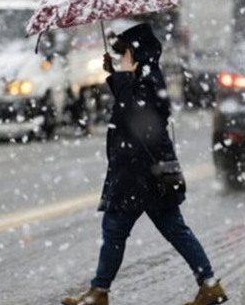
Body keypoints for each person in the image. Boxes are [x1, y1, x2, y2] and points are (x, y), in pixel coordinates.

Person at [62, 23, 227, 305]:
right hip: (147, 172)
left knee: (115, 230)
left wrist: (121, 77)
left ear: (136, 53)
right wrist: (116, 75)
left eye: (124, 53)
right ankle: (209, 284)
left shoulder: (148, 80)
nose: (121, 57)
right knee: (170, 229)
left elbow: (133, 115)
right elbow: (133, 107)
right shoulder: (146, 77)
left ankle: (99, 292)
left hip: (140, 174)